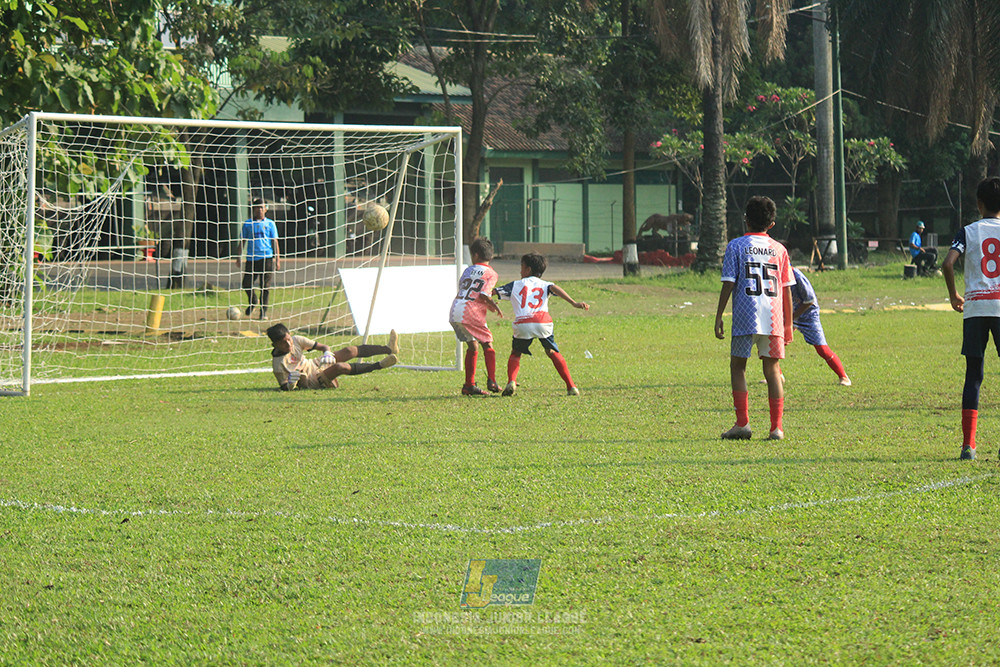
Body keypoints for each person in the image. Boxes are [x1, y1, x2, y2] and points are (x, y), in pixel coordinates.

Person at [714, 196, 794, 441]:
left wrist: (718, 316)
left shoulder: (736, 246)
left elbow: (729, 283)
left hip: (745, 316)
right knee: (772, 368)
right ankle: (776, 428)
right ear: (771, 224)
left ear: (745, 219)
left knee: (738, 366)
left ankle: (742, 423)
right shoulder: (779, 249)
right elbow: (786, 288)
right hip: (772, 316)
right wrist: (788, 323)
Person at [942, 176, 1000, 460]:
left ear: (979, 204)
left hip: (976, 309)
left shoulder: (968, 231)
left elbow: (947, 263)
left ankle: (968, 446)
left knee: (973, 376)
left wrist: (954, 295)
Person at [493, 252, 589, 396]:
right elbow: (554, 288)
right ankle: (571, 386)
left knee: (516, 353)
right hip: (542, 322)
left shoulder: (515, 284)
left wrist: (488, 299)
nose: (520, 270)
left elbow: (493, 292)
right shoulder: (545, 284)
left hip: (523, 323)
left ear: (528, 269)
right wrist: (573, 303)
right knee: (552, 352)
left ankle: (511, 381)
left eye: (522, 266)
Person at [266, 323, 399, 391]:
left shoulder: (296, 340)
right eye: (283, 343)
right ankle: (380, 365)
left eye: (288, 339)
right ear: (274, 344)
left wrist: (327, 353)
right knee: (340, 367)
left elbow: (323, 346)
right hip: (312, 380)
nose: (288, 344)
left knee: (349, 350)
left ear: (290, 335)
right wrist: (290, 385)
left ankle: (388, 348)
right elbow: (283, 386)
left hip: (315, 364)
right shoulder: (278, 365)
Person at [449, 237, 505, 395]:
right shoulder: (491, 273)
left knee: (472, 345)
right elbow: (483, 294)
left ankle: (469, 385)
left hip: (455, 310)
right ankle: (492, 381)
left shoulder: (467, 270)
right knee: (487, 343)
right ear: (491, 256)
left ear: (474, 255)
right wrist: (493, 305)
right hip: (470, 312)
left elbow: (467, 290)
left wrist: (487, 303)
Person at [790, 267, 852, 386]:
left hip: (808, 315)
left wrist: (793, 317)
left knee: (822, 348)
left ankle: (843, 377)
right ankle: (776, 375)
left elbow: (810, 300)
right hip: (791, 313)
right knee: (774, 344)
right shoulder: (774, 273)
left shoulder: (796, 275)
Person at [237, 198, 280, 320]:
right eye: (257, 207)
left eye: (261, 207)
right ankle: (253, 300)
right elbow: (242, 241)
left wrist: (277, 259)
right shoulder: (248, 224)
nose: (259, 210)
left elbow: (274, 242)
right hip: (252, 258)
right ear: (253, 209)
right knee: (246, 283)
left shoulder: (270, 224)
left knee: (265, 286)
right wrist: (238, 256)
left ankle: (263, 312)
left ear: (265, 209)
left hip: (266, 258)